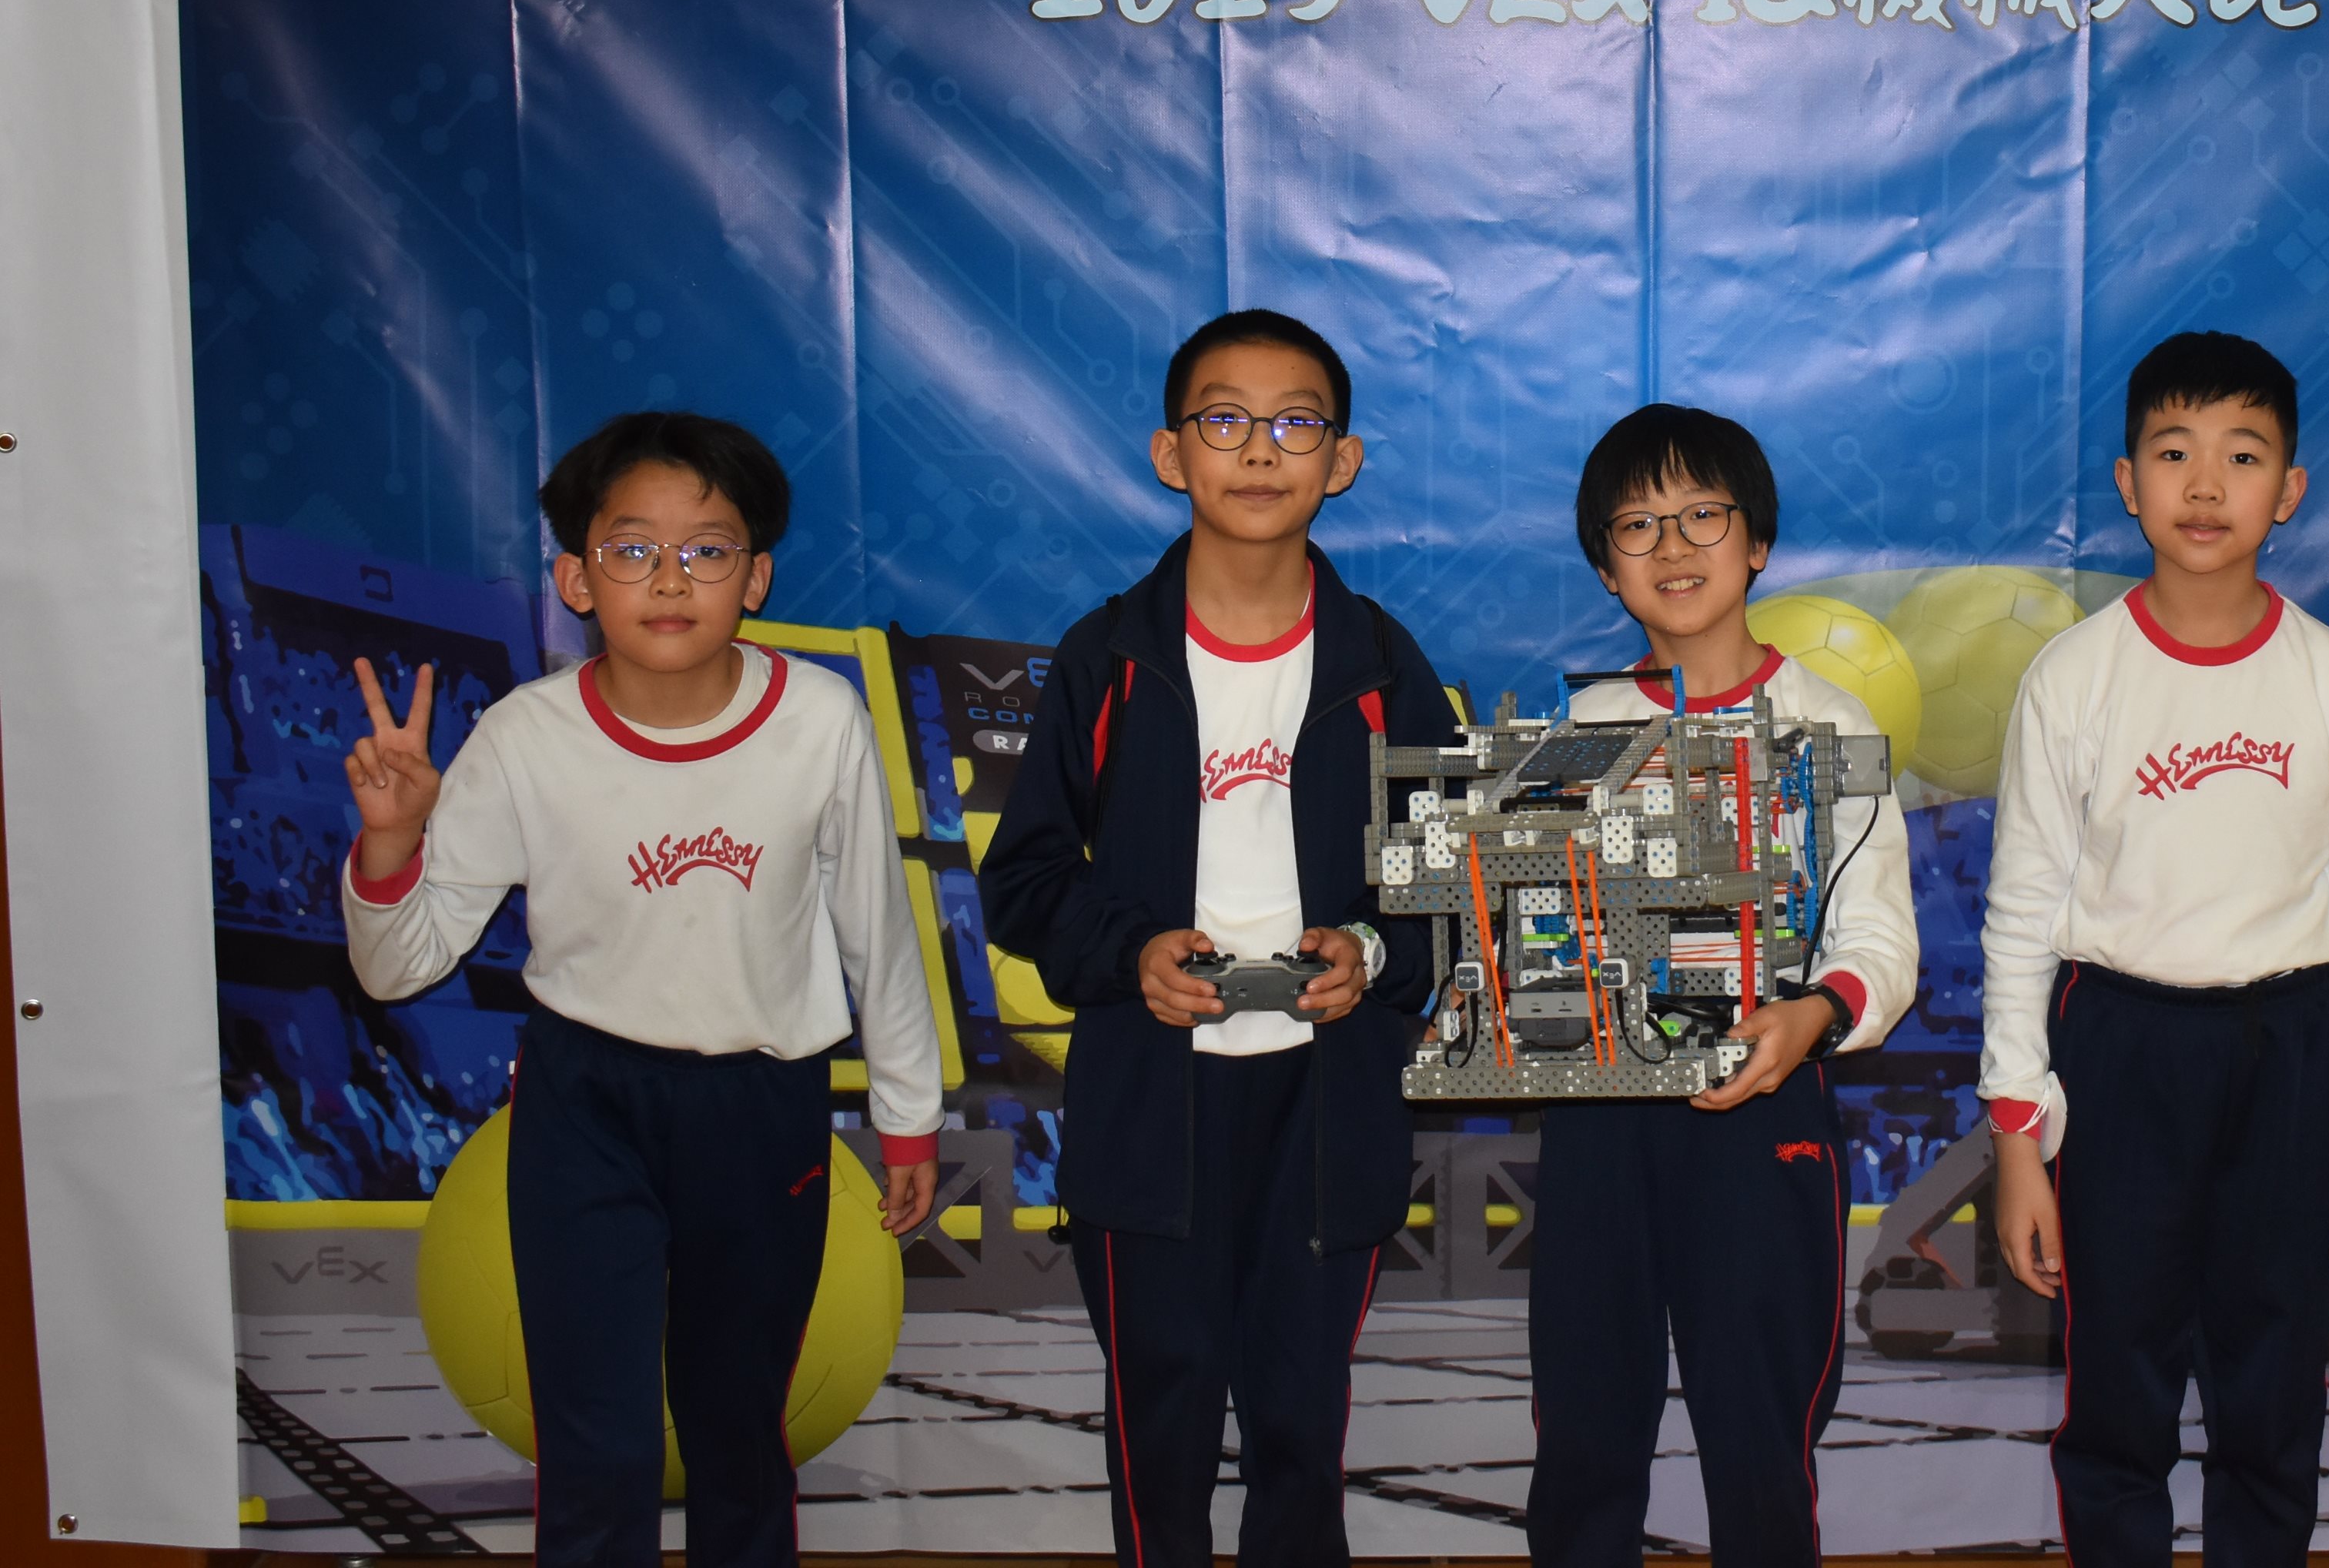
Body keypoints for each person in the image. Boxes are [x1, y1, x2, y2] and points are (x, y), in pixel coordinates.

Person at [338, 410, 944, 1568]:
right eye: (631, 550)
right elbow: (398, 962)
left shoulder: (819, 721)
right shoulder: (524, 738)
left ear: (755, 577)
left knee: (738, 1431)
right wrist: (390, 843)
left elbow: (877, 930)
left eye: (708, 550)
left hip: (761, 1106)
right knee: (596, 1445)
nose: (671, 580)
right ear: (576, 577)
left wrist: (908, 1117)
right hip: (586, 1108)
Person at [977, 309, 1453, 1568]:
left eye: (1295, 423)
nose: (1258, 449)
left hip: (1327, 1109)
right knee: (1161, 1432)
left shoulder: (1383, 663)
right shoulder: (1107, 658)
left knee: (1301, 1428)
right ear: (1169, 453)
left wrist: (1375, 953)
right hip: (1151, 1109)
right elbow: (1024, 880)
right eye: (1224, 419)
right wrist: (1128, 950)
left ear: (1341, 461)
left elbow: (1450, 885)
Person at [1979, 331, 2329, 1568]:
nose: (2207, 485)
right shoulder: (2074, 678)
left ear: (2291, 490)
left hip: (2290, 1047)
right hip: (2122, 1047)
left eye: (2243, 456)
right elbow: (2022, 914)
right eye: (2175, 454)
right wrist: (2017, 1136)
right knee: (2118, 1384)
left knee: (2273, 1388)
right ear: (2129, 484)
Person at [1528, 405, 1919, 1568]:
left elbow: (1881, 942)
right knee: (1585, 1432)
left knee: (1762, 1437)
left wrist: (1814, 1015)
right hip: (1600, 1122)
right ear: (1606, 566)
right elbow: (1531, 934)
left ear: (1758, 543)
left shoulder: (1830, 723)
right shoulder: (1575, 731)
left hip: (1762, 1109)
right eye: (1638, 525)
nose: (1673, 545)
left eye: (1703, 514)